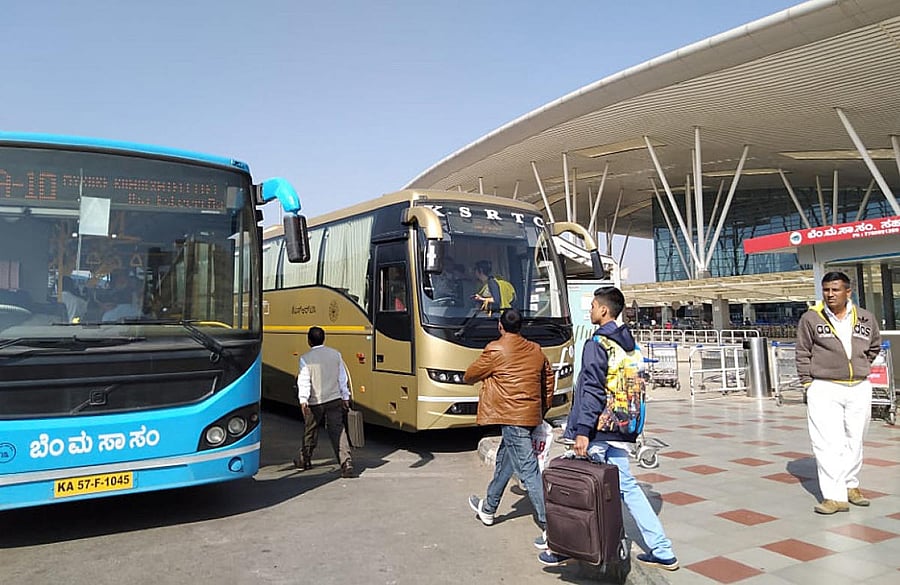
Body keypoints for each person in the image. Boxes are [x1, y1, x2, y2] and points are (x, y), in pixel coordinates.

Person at [539, 286, 678, 571]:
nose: (589, 311)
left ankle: (561, 545)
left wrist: (582, 431)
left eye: (592, 306)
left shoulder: (597, 344)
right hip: (624, 426)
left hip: (599, 428)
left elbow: (592, 389)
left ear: (604, 310)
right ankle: (662, 549)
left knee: (572, 483)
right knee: (626, 486)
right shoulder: (630, 344)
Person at [465, 308, 555, 548]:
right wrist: (541, 409)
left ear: (500, 326)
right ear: (521, 327)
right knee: (506, 461)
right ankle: (489, 507)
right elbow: (548, 379)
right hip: (528, 416)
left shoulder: (496, 349)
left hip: (511, 417)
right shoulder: (535, 350)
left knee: (529, 472)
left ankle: (551, 528)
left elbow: (470, 375)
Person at [796, 271, 882, 515]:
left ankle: (850, 485)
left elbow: (873, 346)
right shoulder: (811, 318)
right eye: (826, 290)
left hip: (858, 387)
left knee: (855, 439)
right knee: (827, 443)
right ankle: (834, 497)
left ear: (848, 292)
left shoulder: (865, 318)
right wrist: (807, 384)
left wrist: (861, 366)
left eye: (835, 290)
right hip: (824, 387)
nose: (830, 294)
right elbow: (802, 352)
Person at [293, 326, 355, 478]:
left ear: (309, 341)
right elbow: (342, 378)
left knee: (310, 431)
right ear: (323, 338)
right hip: (334, 399)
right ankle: (346, 462)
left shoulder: (306, 358)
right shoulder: (336, 354)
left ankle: (305, 459)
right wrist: (345, 397)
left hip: (316, 402)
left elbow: (304, 380)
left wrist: (303, 400)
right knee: (338, 431)